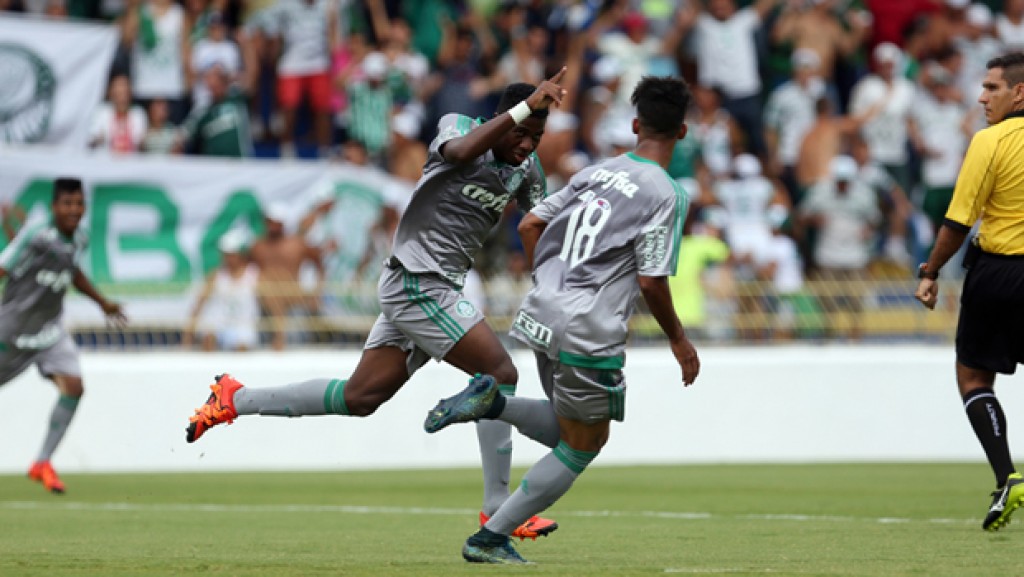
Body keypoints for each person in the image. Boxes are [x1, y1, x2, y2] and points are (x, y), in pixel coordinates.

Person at [183, 72, 569, 540]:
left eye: (537, 138)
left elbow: (537, 224)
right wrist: (525, 110)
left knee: (360, 397)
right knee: (499, 375)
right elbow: (463, 154)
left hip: (436, 288)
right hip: (417, 280)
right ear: (502, 120)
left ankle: (233, 399)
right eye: (523, 133)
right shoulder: (458, 126)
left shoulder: (527, 171)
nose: (529, 146)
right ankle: (498, 509)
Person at [423, 75, 700, 564]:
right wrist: (679, 341)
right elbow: (652, 281)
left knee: (565, 429)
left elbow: (531, 222)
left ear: (635, 125)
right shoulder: (666, 194)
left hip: (542, 312)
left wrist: (550, 281)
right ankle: (488, 537)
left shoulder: (598, 172)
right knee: (584, 444)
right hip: (588, 328)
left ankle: (493, 405)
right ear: (682, 132)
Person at [915, 52, 1024, 532]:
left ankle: (1008, 477)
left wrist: (931, 269)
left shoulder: (990, 141)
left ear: (1019, 93)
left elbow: (960, 220)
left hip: (999, 273)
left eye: (992, 88)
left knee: (974, 378)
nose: (981, 97)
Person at [0, 178, 127, 494]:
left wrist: (103, 303)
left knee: (73, 385)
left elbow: (74, 273)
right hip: (12, 331)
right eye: (67, 204)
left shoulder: (79, 239)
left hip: (49, 332)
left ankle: (42, 462)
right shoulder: (35, 235)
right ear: (54, 206)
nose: (74, 210)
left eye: (79, 203)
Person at [249, 203, 325, 350]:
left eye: (275, 222)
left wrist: (317, 291)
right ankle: (278, 337)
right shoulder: (258, 246)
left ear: (282, 223)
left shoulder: (297, 244)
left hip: (292, 295)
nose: (271, 226)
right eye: (269, 221)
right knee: (269, 282)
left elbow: (319, 264)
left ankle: (280, 338)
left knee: (276, 284)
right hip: (266, 299)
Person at [183, 230, 260, 352]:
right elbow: (199, 304)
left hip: (244, 326)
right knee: (208, 339)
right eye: (225, 254)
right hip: (220, 325)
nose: (228, 258)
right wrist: (187, 336)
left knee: (242, 347)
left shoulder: (255, 275)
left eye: (231, 254)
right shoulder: (215, 276)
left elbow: (271, 301)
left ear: (240, 254)